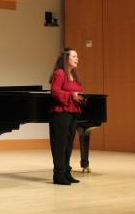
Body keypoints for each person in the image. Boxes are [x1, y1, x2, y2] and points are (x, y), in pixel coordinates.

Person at [49, 47, 83, 185]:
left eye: (77, 57)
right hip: (60, 113)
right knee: (60, 144)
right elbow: (55, 92)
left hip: (72, 112)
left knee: (68, 144)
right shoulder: (60, 73)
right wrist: (72, 96)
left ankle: (66, 172)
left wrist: (81, 97)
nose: (77, 59)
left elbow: (79, 91)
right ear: (66, 59)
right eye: (74, 56)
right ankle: (58, 175)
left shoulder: (74, 76)